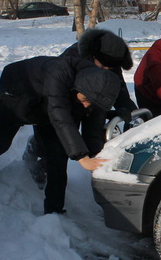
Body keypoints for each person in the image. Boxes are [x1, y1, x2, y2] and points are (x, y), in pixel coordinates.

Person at [0, 56, 120, 215]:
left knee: (58, 157)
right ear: (80, 86)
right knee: (1, 141)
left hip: (47, 104)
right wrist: (82, 157)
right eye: (86, 99)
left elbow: (84, 123)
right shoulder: (59, 74)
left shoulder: (95, 86)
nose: (87, 105)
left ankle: (54, 211)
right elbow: (61, 117)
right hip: (17, 92)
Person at [23, 29, 137, 187]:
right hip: (67, 105)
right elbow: (59, 108)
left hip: (94, 103)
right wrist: (80, 154)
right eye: (104, 66)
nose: (107, 71)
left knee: (96, 142)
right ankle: (36, 151)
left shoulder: (109, 62)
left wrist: (128, 109)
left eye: (111, 68)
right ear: (93, 55)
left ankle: (104, 186)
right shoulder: (70, 60)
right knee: (58, 145)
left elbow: (119, 88)